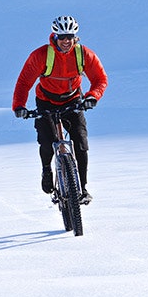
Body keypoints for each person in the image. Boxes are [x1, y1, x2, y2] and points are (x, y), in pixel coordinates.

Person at [13, 15, 107, 204]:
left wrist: (92, 96)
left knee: (80, 142)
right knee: (46, 141)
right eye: (62, 36)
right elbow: (24, 82)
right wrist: (19, 106)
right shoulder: (41, 55)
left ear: (75, 37)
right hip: (46, 101)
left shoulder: (83, 54)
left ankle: (83, 188)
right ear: (55, 36)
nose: (66, 41)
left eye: (69, 36)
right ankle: (47, 170)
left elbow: (100, 79)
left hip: (73, 100)